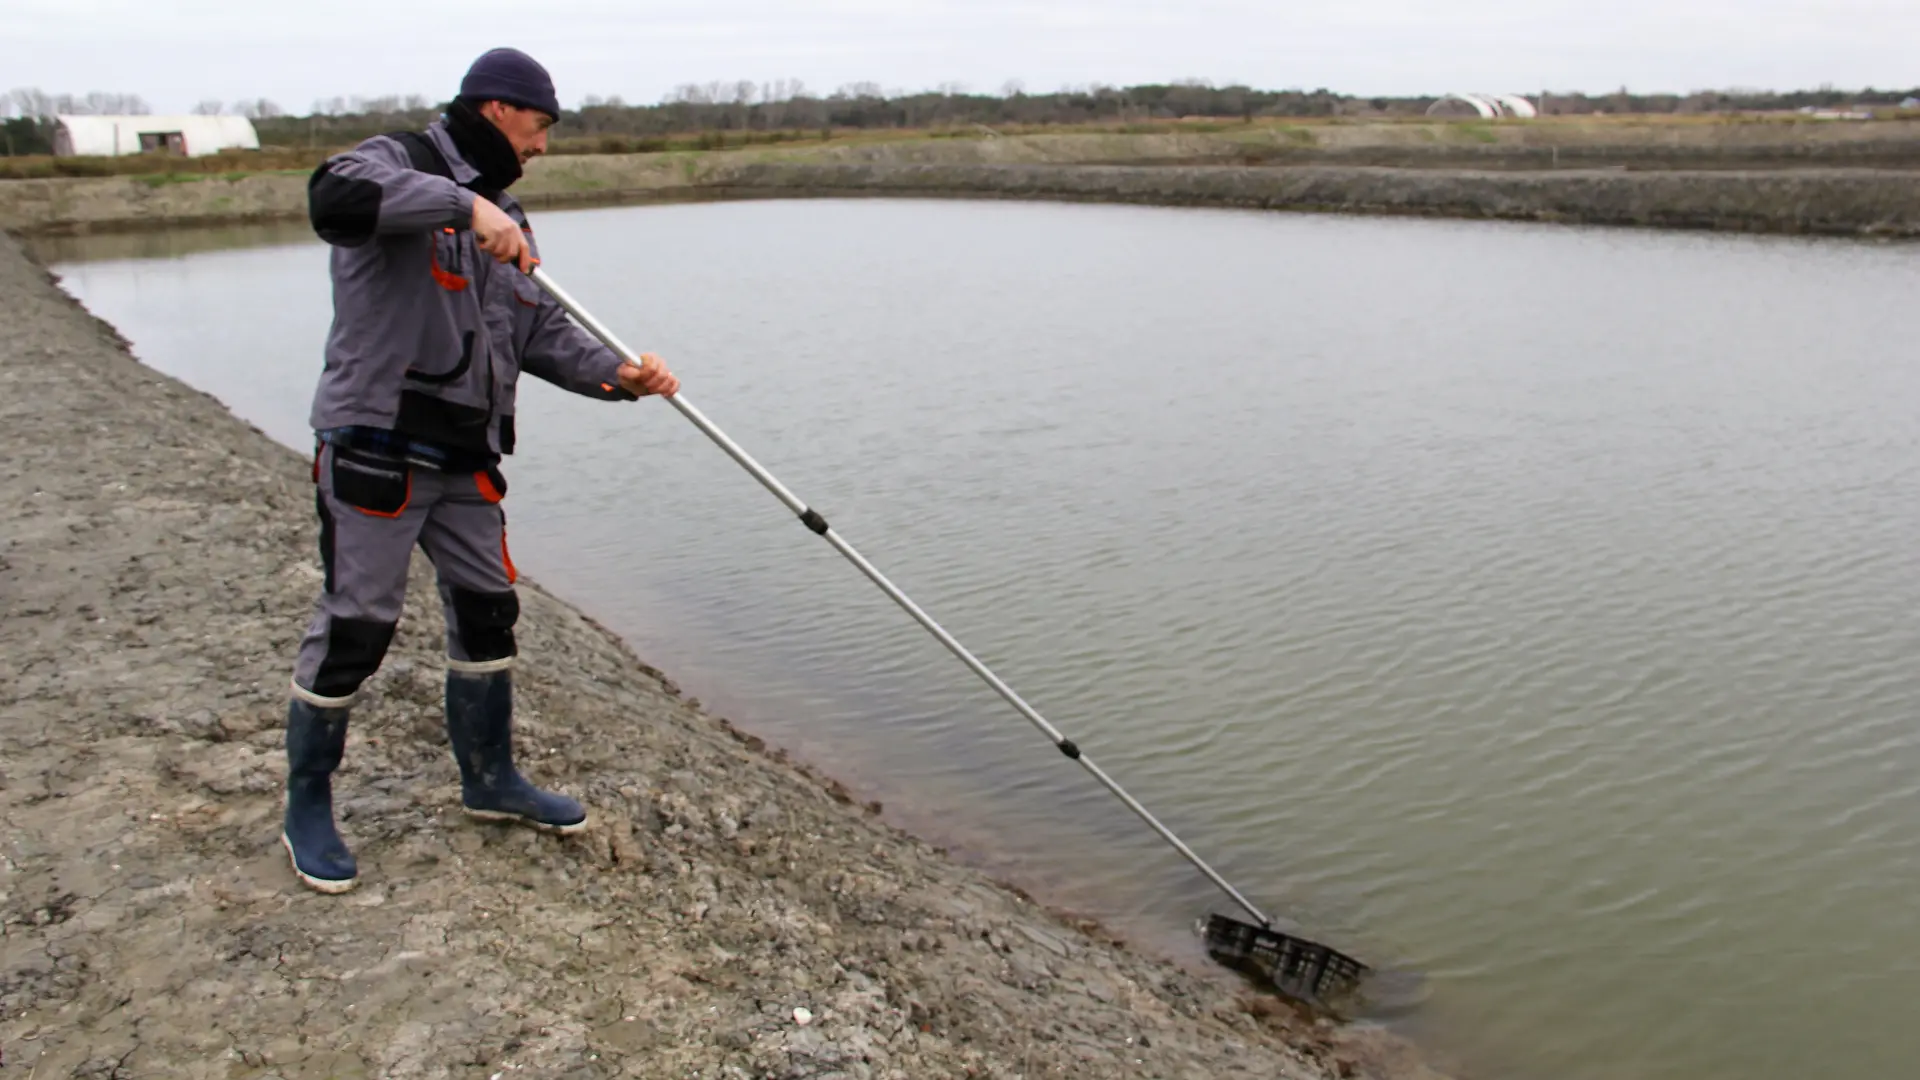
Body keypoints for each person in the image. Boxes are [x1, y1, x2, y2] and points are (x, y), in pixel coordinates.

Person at [282, 47, 679, 894]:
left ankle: (490, 779)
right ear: (498, 109)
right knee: (357, 627)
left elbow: (537, 332)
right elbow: (332, 198)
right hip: (377, 447)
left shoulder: (510, 217)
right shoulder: (395, 162)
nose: (542, 146)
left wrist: (618, 376)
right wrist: (463, 206)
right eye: (539, 127)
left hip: (468, 456)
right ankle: (306, 804)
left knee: (490, 611)